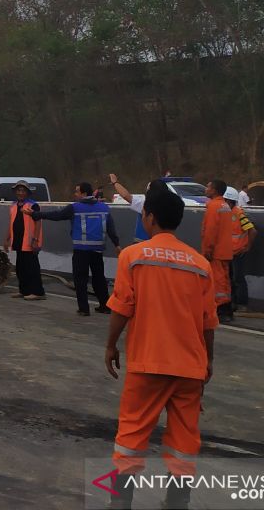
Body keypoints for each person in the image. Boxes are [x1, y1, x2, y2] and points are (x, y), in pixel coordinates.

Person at [103, 187, 216, 510]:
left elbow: (122, 307)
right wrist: (207, 363)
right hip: (189, 367)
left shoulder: (133, 257)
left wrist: (111, 346)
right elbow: (208, 324)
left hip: (148, 365)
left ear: (150, 217)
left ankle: (121, 502)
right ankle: (178, 501)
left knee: (132, 436)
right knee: (184, 441)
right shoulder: (200, 265)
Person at [34, 181, 120, 315]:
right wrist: (117, 244)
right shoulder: (104, 208)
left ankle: (84, 309)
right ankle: (105, 305)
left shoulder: (75, 208)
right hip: (97, 249)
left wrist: (36, 215)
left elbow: (56, 216)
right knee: (99, 278)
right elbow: (111, 229)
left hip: (81, 250)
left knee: (80, 279)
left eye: (77, 191)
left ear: (84, 193)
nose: (75, 194)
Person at [200, 179, 235, 322]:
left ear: (214, 190)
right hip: (225, 250)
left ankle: (221, 309)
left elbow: (210, 231)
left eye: (208, 187)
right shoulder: (225, 205)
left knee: (218, 282)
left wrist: (207, 250)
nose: (206, 189)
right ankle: (226, 308)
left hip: (216, 252)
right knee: (224, 281)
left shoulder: (214, 206)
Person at [6, 181, 45, 300]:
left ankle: (38, 292)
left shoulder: (33, 206)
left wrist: (35, 239)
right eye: (18, 190)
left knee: (32, 268)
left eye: (23, 190)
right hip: (18, 241)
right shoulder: (13, 206)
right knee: (20, 268)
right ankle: (24, 290)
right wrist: (7, 239)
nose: (20, 193)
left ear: (27, 193)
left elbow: (38, 222)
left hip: (29, 241)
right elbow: (11, 223)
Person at [225, 186, 257, 313]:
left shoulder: (238, 213)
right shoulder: (225, 213)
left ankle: (242, 303)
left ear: (230, 201)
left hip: (238, 252)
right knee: (229, 278)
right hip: (228, 252)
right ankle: (232, 303)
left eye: (225, 200)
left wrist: (247, 247)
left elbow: (253, 231)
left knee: (238, 278)